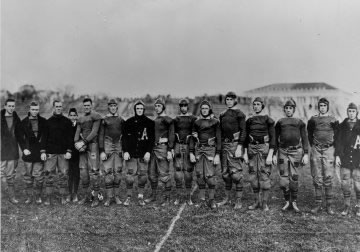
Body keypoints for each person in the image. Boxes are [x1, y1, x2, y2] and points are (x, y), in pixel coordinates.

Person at [273, 99, 309, 213]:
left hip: (296, 152)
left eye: (291, 108)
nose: (288, 110)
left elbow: (304, 138)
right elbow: (275, 138)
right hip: (283, 151)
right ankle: (287, 201)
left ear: (294, 109)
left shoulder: (299, 122)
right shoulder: (280, 122)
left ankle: (294, 201)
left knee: (294, 177)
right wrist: (274, 153)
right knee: (283, 178)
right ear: (284, 109)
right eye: (287, 108)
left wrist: (306, 153)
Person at [307, 98, 339, 215]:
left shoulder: (333, 120)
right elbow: (309, 134)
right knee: (317, 177)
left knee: (328, 177)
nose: (322, 107)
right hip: (316, 149)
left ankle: (329, 206)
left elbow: (338, 135)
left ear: (327, 107)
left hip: (329, 150)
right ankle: (318, 204)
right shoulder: (313, 119)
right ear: (318, 107)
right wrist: (315, 145)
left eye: (324, 106)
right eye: (320, 105)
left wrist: (332, 147)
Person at [243, 97, 275, 211]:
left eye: (258, 104)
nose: (256, 106)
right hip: (252, 149)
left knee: (264, 175)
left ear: (262, 106)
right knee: (253, 176)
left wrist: (271, 154)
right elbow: (245, 139)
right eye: (254, 104)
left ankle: (264, 203)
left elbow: (273, 138)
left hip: (264, 149)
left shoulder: (268, 120)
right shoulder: (249, 120)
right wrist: (245, 153)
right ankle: (256, 202)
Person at [190, 100, 221, 209]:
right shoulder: (196, 122)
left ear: (209, 109)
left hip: (210, 150)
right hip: (199, 150)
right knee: (199, 175)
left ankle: (211, 200)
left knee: (209, 176)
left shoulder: (215, 122)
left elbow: (219, 139)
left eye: (206, 108)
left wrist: (217, 154)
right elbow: (192, 139)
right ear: (200, 110)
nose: (204, 110)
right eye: (202, 108)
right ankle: (202, 200)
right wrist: (191, 153)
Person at [217, 92, 246, 209]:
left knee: (236, 175)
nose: (228, 101)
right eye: (227, 99)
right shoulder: (222, 114)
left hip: (235, 145)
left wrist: (239, 146)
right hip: (225, 145)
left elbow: (243, 131)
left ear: (235, 100)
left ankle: (238, 201)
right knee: (225, 174)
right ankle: (227, 198)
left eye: (231, 99)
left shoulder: (240, 114)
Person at [122, 100, 155, 206]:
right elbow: (124, 139)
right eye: (138, 109)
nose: (139, 110)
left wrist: (148, 152)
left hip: (143, 154)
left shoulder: (150, 123)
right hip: (131, 153)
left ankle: (140, 197)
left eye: (141, 109)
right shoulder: (128, 122)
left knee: (143, 176)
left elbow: (151, 139)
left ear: (144, 110)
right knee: (129, 177)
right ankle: (128, 197)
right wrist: (125, 151)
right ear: (135, 110)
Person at [41, 100, 73, 205]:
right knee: (48, 174)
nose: (58, 108)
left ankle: (62, 197)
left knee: (63, 174)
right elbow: (44, 137)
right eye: (57, 106)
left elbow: (70, 138)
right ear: (53, 107)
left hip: (63, 153)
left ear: (62, 107)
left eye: (60, 106)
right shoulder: (48, 122)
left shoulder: (67, 122)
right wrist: (43, 152)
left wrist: (69, 150)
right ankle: (49, 197)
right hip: (51, 153)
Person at [145, 98, 175, 206]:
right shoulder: (155, 120)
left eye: (159, 106)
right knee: (152, 174)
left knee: (164, 175)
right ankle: (153, 196)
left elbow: (171, 135)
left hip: (163, 148)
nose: (157, 108)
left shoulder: (168, 120)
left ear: (163, 107)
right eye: (156, 106)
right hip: (153, 149)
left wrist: (170, 150)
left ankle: (167, 198)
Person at [17, 101, 47, 205]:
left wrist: (43, 151)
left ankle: (38, 196)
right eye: (33, 109)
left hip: (39, 152)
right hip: (28, 153)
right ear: (29, 109)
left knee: (38, 176)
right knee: (28, 176)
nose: (35, 111)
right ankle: (29, 197)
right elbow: (20, 137)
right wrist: (24, 148)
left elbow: (45, 138)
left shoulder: (43, 121)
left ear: (39, 110)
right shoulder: (23, 122)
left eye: (36, 109)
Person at [74, 98, 102, 207]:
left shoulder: (96, 116)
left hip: (92, 146)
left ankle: (95, 198)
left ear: (91, 105)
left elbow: (94, 132)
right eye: (85, 105)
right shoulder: (80, 119)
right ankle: (85, 196)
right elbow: (77, 133)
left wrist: (84, 142)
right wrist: (77, 143)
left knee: (94, 172)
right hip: (83, 147)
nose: (86, 107)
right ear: (83, 106)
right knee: (83, 172)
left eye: (88, 105)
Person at [99, 99, 125, 207]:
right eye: (111, 106)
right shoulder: (104, 120)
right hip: (108, 145)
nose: (113, 107)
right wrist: (101, 151)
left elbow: (125, 136)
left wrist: (124, 150)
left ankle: (117, 196)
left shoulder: (121, 120)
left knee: (118, 172)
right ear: (108, 107)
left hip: (118, 146)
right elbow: (100, 135)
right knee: (108, 173)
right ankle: (109, 197)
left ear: (117, 107)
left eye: (115, 105)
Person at [335, 102, 360, 216]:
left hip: (357, 158)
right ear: (347, 112)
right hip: (345, 158)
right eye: (349, 111)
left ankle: (359, 206)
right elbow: (338, 142)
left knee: (357, 183)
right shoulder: (342, 126)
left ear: (357, 112)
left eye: (353, 111)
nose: (351, 113)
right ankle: (346, 206)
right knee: (345, 183)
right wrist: (337, 156)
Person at [173, 99, 197, 205]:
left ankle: (188, 197)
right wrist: (172, 148)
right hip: (178, 145)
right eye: (181, 106)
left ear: (188, 107)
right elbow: (172, 134)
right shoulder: (176, 119)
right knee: (178, 173)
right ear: (179, 107)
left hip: (189, 146)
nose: (183, 107)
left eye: (185, 106)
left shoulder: (193, 119)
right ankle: (178, 197)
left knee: (188, 173)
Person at [1, 98, 22, 204]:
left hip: (12, 150)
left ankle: (11, 196)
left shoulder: (16, 117)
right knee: (0, 174)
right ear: (5, 106)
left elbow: (20, 134)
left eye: (13, 106)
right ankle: (2, 192)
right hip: (1, 150)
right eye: (9, 106)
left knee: (10, 175)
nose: (11, 108)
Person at [67, 108, 80, 202]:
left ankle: (75, 193)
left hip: (77, 153)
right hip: (68, 153)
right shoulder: (66, 125)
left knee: (76, 173)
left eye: (74, 115)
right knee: (69, 173)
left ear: (77, 116)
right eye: (70, 115)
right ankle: (69, 193)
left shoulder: (79, 126)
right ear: (68, 116)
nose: (72, 117)